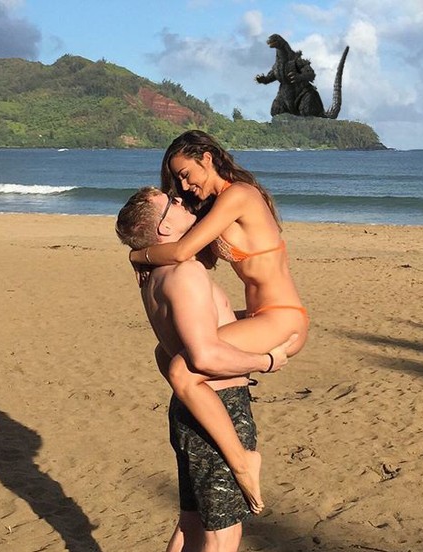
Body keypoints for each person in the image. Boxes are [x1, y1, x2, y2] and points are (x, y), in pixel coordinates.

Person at [116, 186, 295, 552]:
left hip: (188, 410)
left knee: (192, 525)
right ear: (165, 228)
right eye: (172, 202)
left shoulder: (155, 277)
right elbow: (205, 356)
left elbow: (178, 343)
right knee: (222, 537)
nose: (182, 200)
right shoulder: (185, 273)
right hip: (218, 408)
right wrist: (266, 361)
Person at [129, 130, 309, 513]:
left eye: (185, 173)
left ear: (207, 158)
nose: (183, 185)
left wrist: (138, 256)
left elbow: (182, 251)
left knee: (182, 370)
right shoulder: (215, 207)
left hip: (282, 316)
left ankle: (243, 462)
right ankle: (207, 418)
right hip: (258, 315)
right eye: (177, 180)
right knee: (165, 352)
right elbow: (192, 257)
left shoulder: (239, 195)